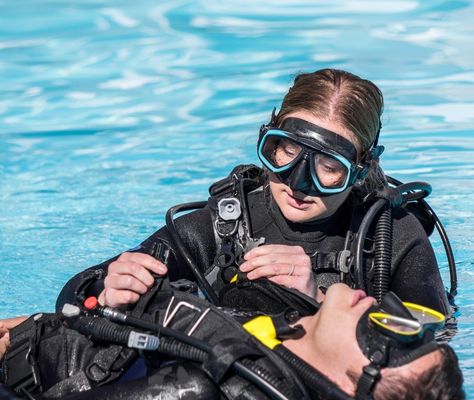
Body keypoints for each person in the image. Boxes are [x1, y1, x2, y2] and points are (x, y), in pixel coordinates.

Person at [56, 68, 451, 317]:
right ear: (268, 141)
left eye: (330, 169)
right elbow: (76, 293)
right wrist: (108, 291)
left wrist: (320, 300)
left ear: (362, 169)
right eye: (286, 153)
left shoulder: (390, 238)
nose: (297, 183)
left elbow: (435, 351)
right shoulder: (222, 226)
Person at [0, 282, 464, 400]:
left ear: (344, 391)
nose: (391, 316)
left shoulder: (202, 395)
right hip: (38, 332)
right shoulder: (286, 324)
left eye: (394, 343)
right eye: (415, 330)